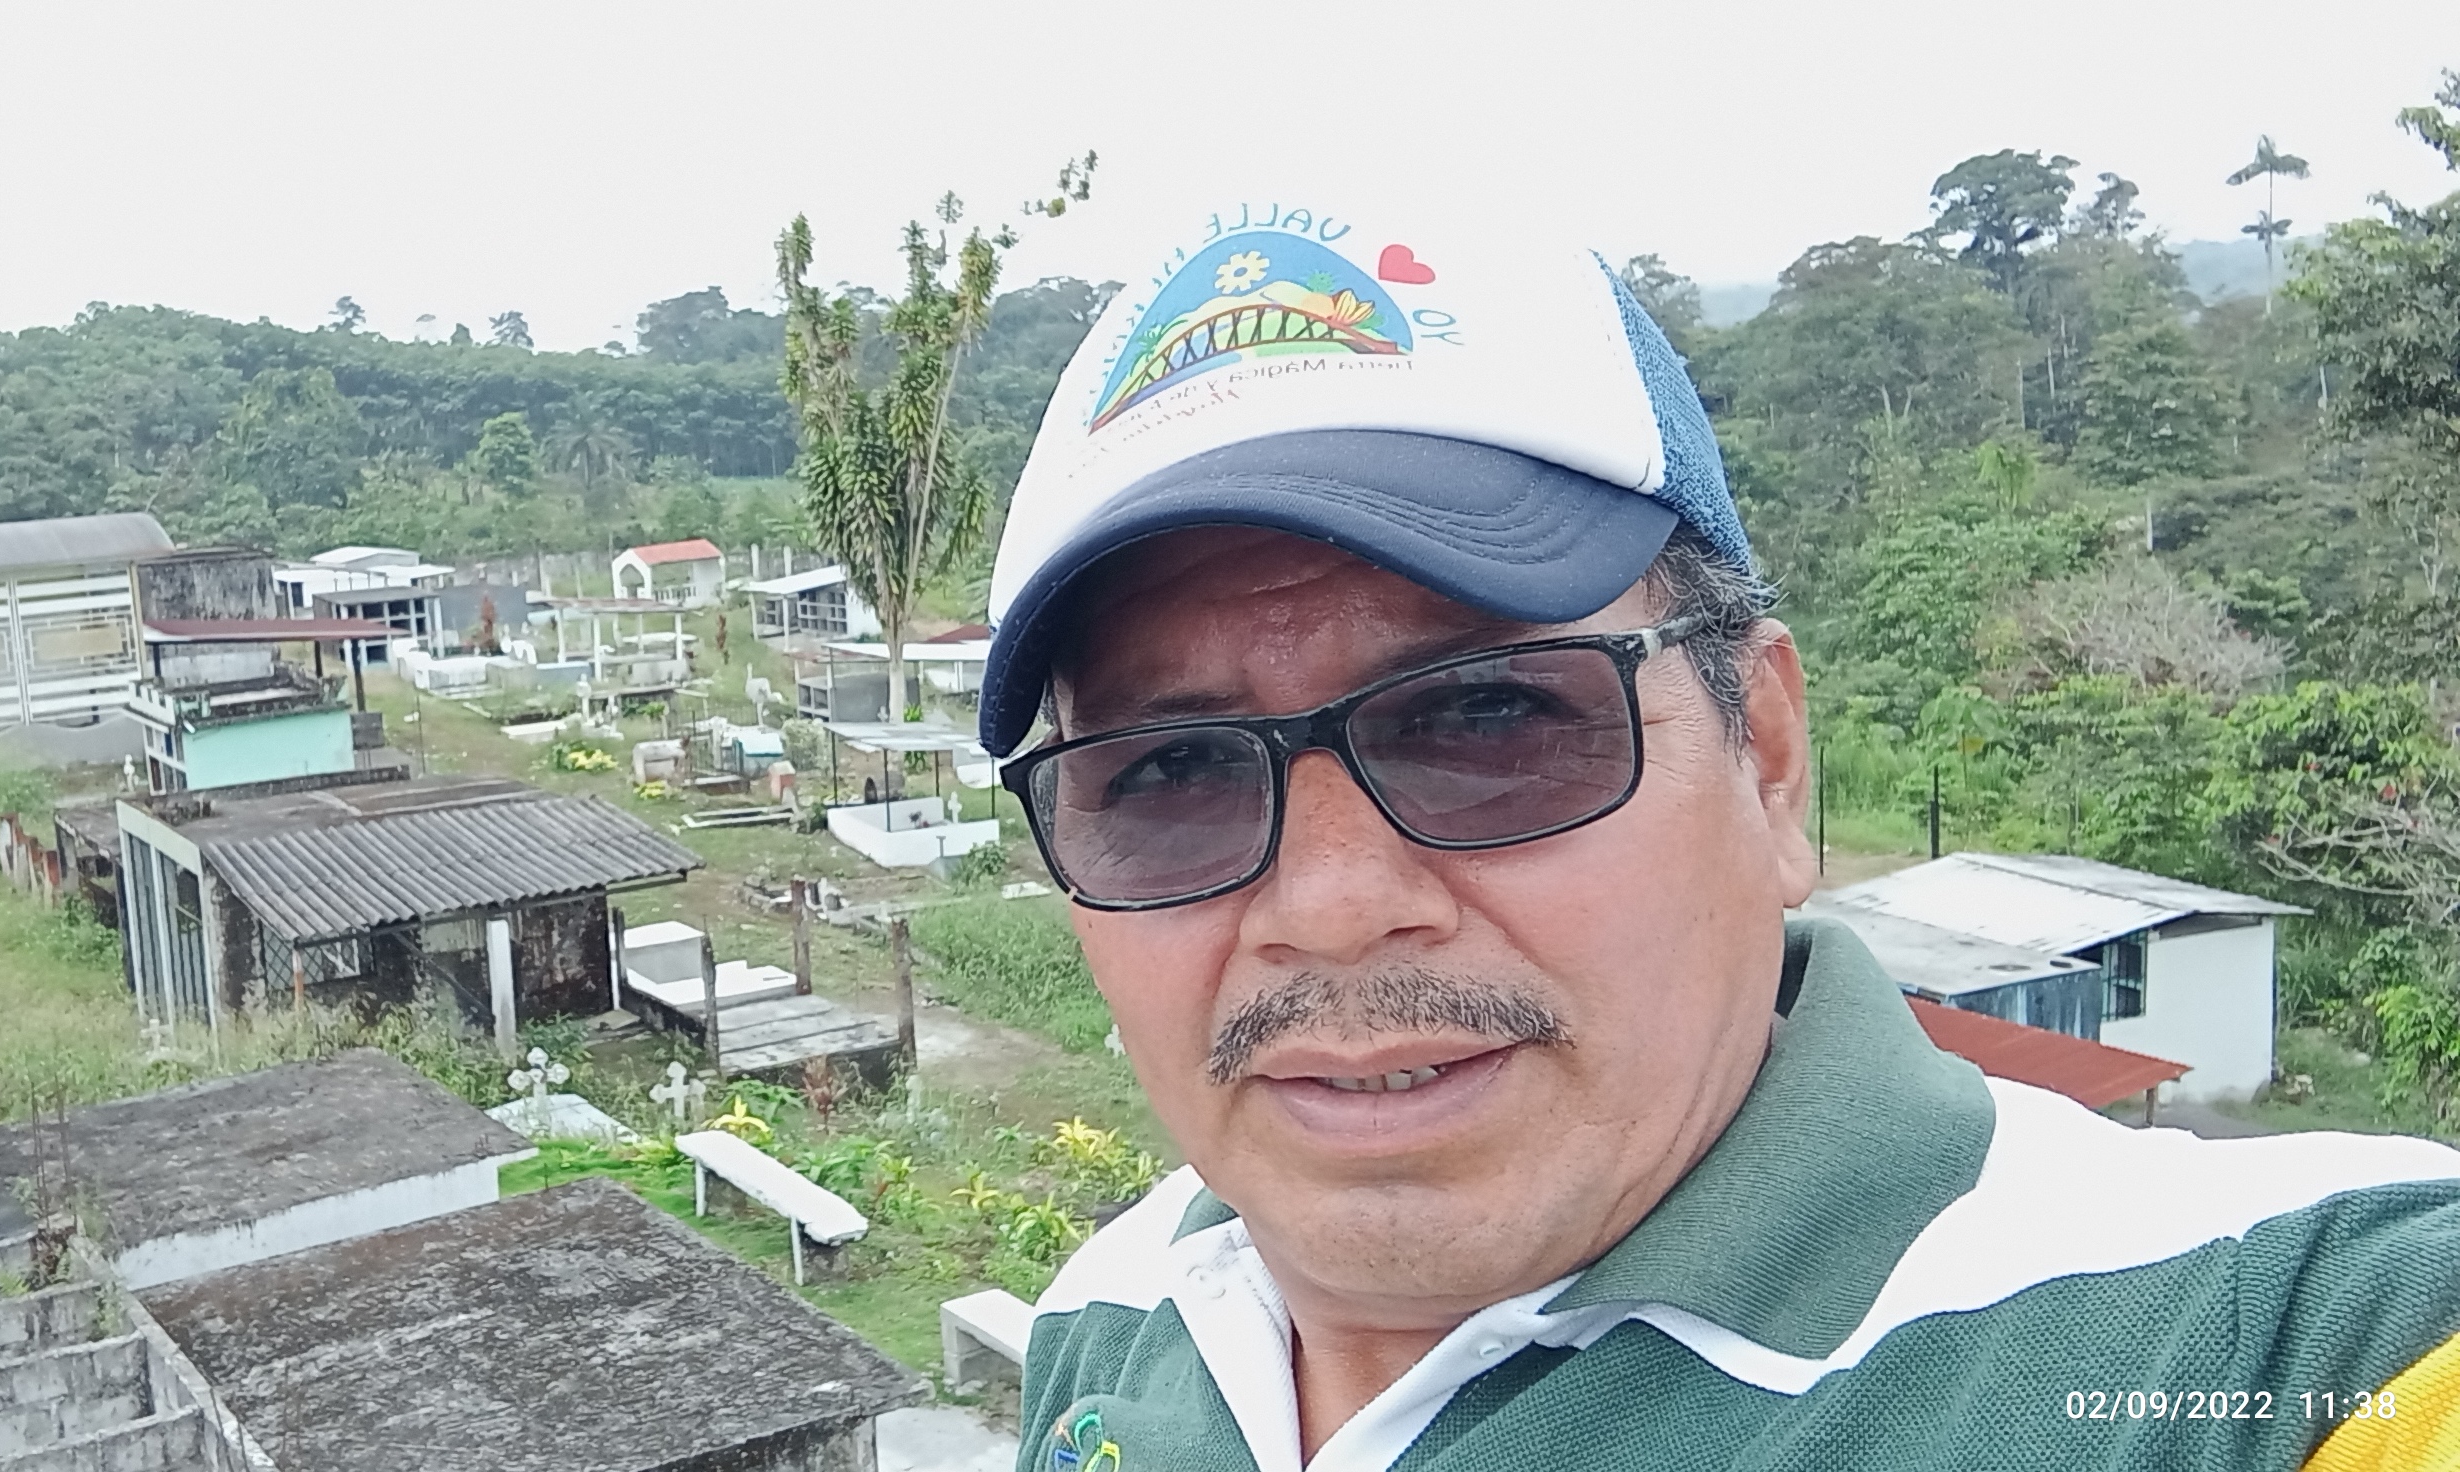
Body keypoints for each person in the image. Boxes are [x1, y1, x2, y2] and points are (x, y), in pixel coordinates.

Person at [979, 207, 2460, 1470]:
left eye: (1489, 721)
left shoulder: (2274, 1342)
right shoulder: (1120, 1311)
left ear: (1768, 759)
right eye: (1169, 771)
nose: (1335, 902)